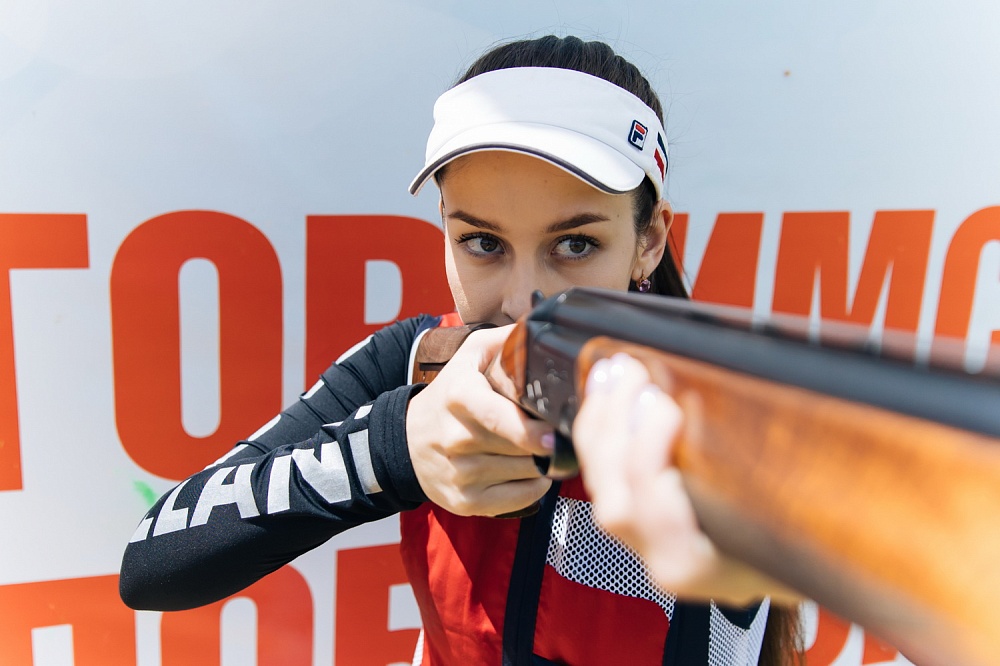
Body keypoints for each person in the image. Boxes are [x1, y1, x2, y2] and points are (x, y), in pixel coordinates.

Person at [120, 35, 801, 665]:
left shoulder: (730, 410)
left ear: (648, 241)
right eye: (483, 243)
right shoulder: (416, 360)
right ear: (445, 232)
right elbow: (152, 562)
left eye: (575, 244)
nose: (524, 302)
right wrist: (395, 450)